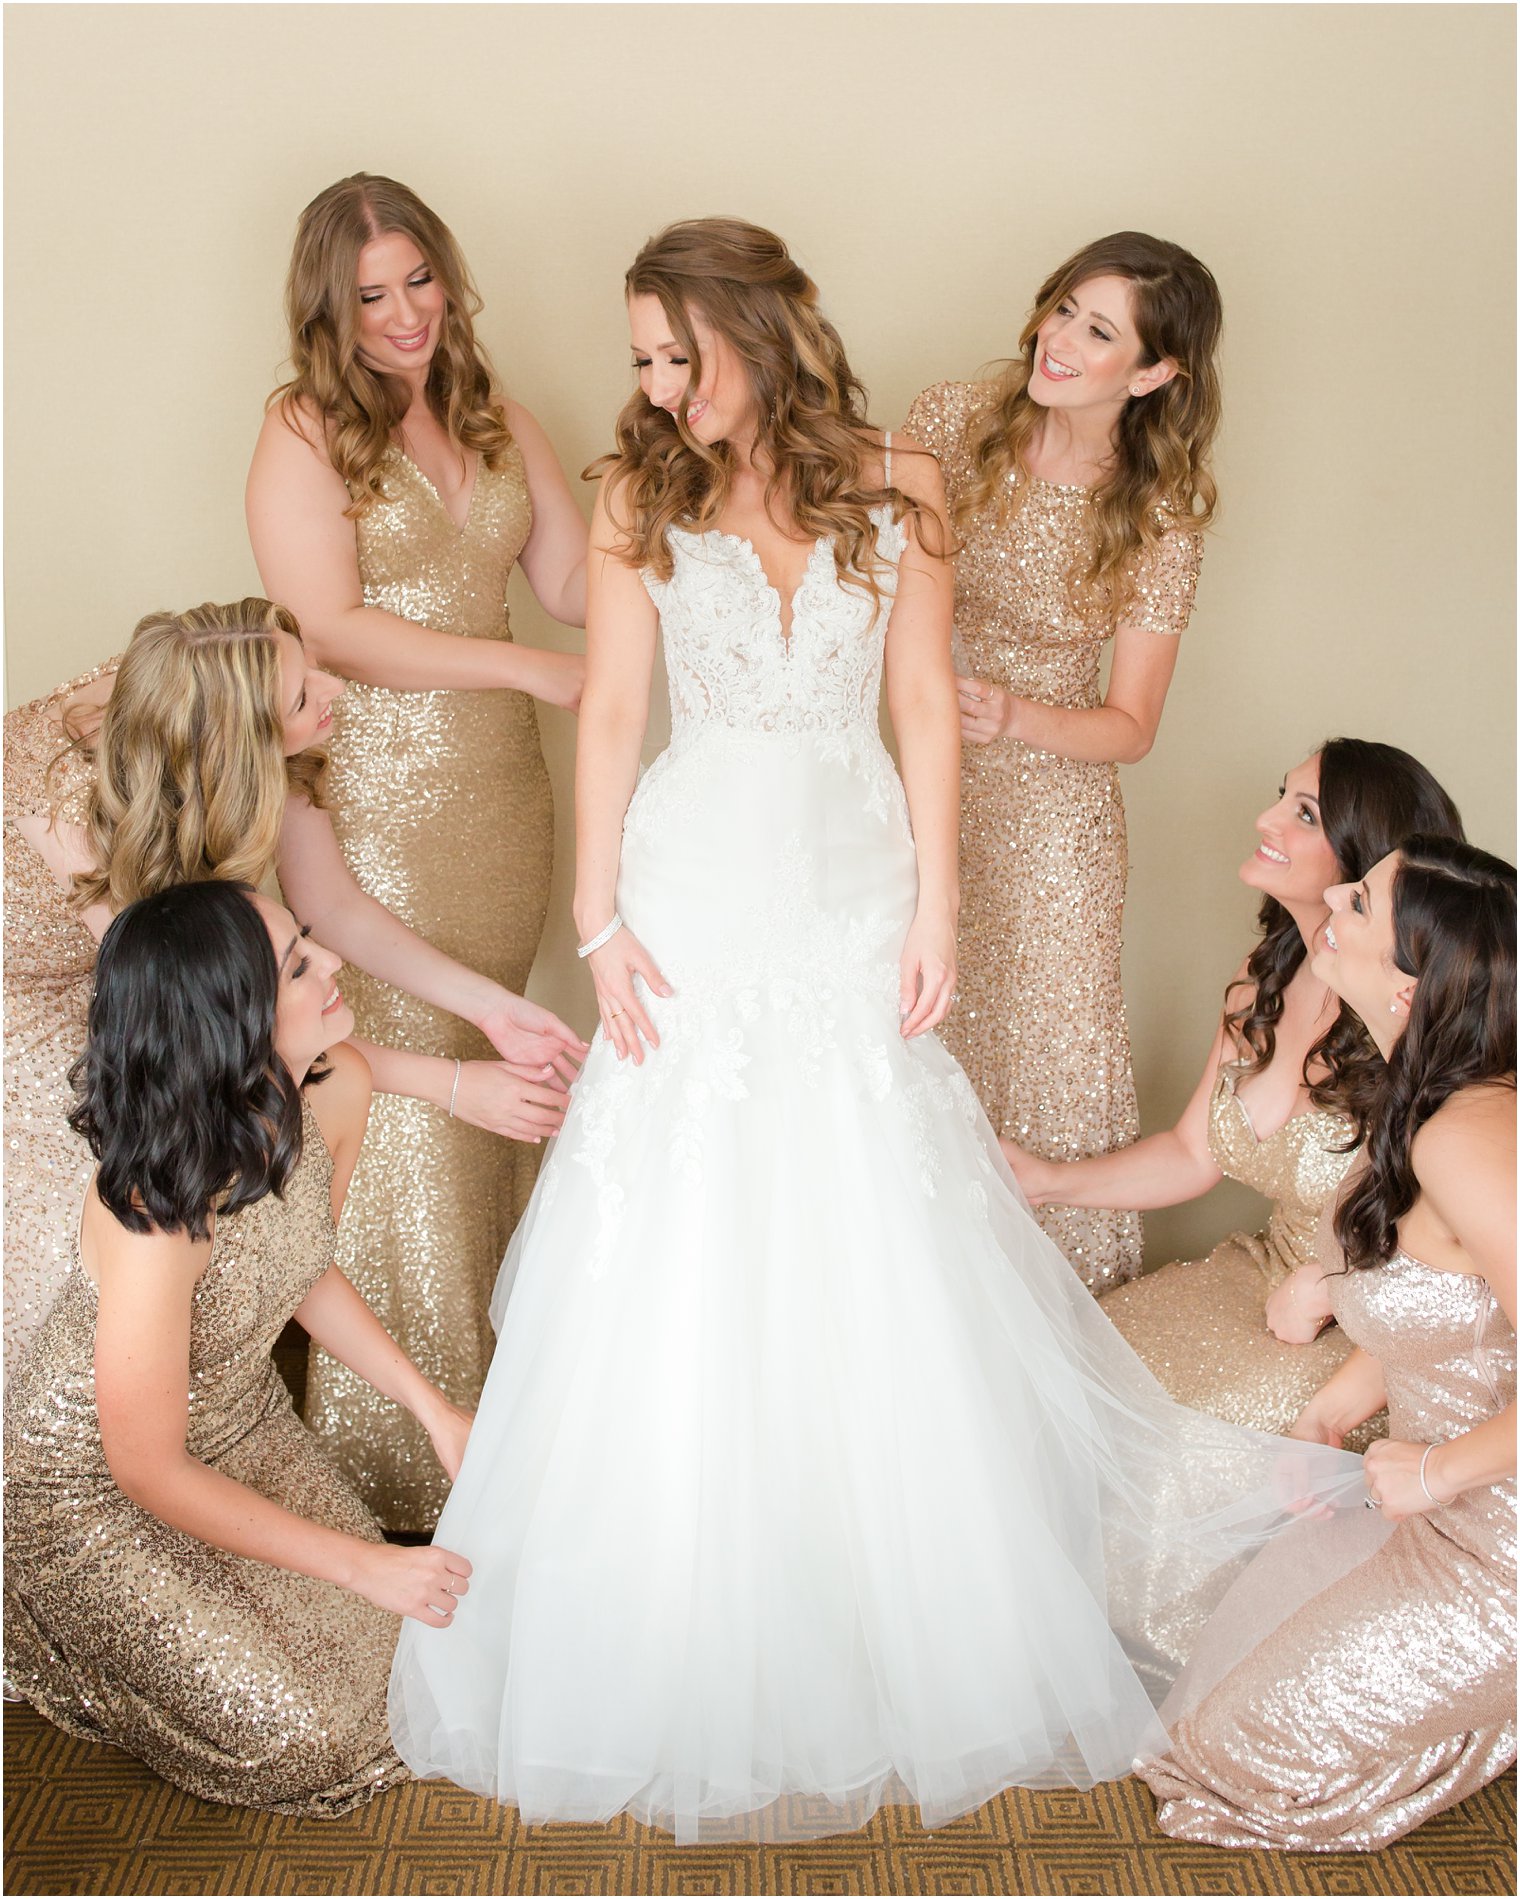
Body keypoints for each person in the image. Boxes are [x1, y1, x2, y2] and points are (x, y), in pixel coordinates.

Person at [388, 217, 1366, 1844]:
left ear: (753, 336)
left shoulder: (902, 479)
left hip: (852, 884)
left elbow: (923, 704)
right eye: (636, 356)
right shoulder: (639, 489)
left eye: (671, 355)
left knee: (867, 1214)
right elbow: (618, 714)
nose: (651, 385)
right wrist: (597, 921)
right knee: (682, 1215)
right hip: (691, 888)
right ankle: (680, 1603)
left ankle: (877, 1587)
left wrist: (932, 908)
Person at [247, 174, 587, 1529]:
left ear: (449, 276)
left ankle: (488, 1421)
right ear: (330, 306)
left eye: (418, 283)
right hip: (374, 798)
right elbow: (322, 626)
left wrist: (692, 516)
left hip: (499, 805)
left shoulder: (501, 415)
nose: (400, 316)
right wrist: (520, 664)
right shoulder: (303, 427)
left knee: (482, 1096)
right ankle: (396, 1467)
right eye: (370, 296)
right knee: (392, 1105)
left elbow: (570, 580)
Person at [1, 600, 582, 1381]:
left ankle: (230, 1380)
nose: (335, 686)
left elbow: (331, 904)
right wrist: (449, 1085)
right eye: (305, 696)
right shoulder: (67, 803)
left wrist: (490, 1007)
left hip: (156, 980)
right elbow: (210, 1027)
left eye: (309, 668)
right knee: (135, 1177)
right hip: (44, 1007)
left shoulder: (231, 683)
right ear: (238, 750)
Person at [3, 881, 475, 1815]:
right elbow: (146, 1467)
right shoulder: (146, 1207)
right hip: (91, 1487)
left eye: (308, 942)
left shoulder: (337, 1087)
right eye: (299, 964)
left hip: (237, 1421)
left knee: (415, 1656)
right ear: (231, 1021)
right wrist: (363, 1562)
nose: (332, 961)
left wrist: (432, 1410)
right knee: (318, 1732)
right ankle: (41, 1628)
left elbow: (301, 1268)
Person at [1142, 835, 1516, 1849]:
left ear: (1407, 984)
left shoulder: (1468, 1134)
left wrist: (1434, 1473)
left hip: (1495, 1543)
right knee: (1195, 1710)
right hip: (1433, 1511)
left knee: (1234, 1762)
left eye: (1356, 903)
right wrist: (1336, 1406)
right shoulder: (1412, 1101)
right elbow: (1442, 1306)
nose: (1330, 901)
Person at [905, 232, 1221, 1291]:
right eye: (1061, 310)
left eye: (1098, 331)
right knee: (910, 1036)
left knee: (1041, 1073)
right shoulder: (950, 419)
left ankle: (1056, 1339)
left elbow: (1130, 725)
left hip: (1051, 823)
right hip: (912, 774)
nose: (1060, 341)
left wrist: (1015, 715)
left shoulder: (1160, 510)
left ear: (1151, 372)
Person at [1004, 739, 1464, 1438]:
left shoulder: (1412, 1016)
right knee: (1075, 1364)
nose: (1265, 819)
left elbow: (1463, 1249)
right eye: (1281, 796)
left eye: (1303, 814)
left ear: (1366, 858)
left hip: (1360, 1334)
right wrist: (1044, 1181)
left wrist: (1335, 1292)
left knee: (1173, 1441)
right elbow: (1194, 1152)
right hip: (1256, 1274)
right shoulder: (1265, 978)